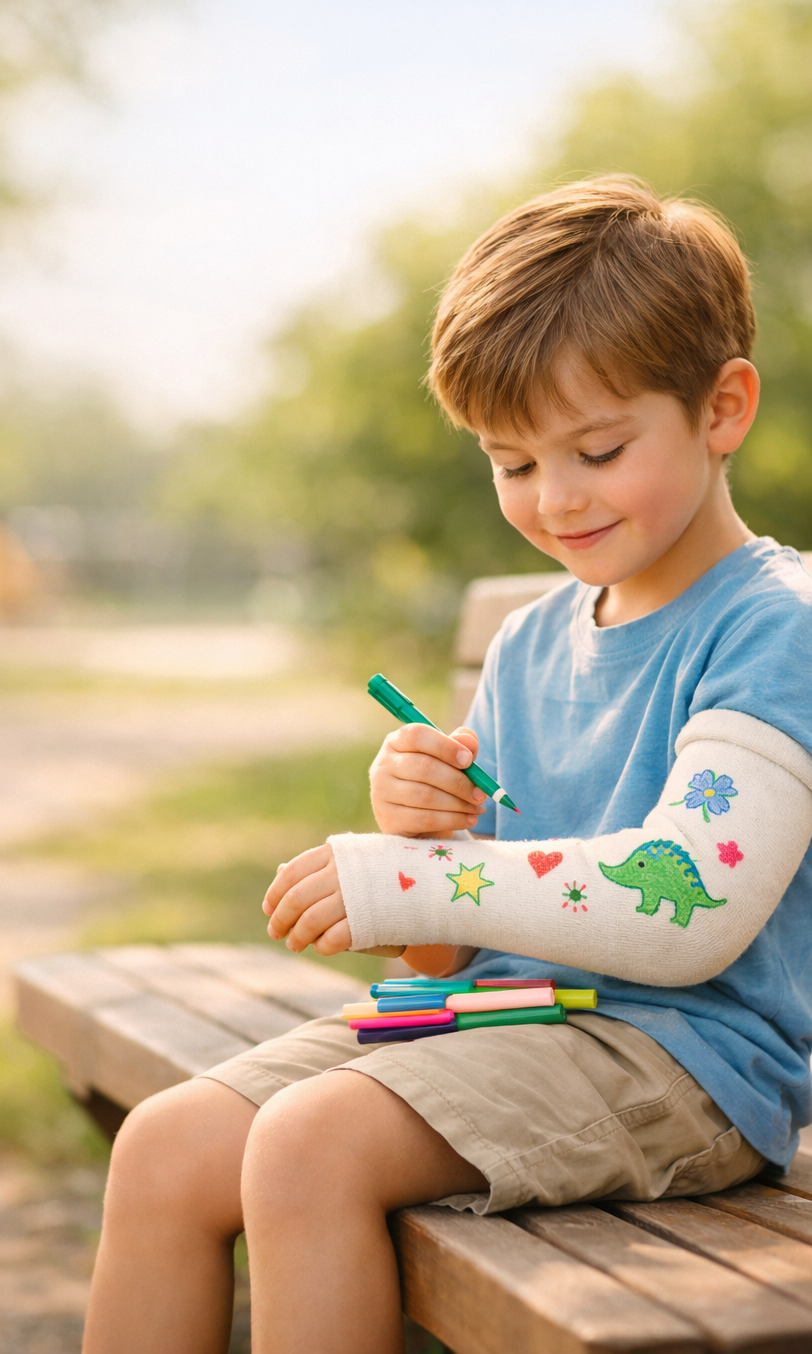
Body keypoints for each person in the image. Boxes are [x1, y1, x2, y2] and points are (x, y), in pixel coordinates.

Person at [82, 176, 812, 1354]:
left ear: (722, 408)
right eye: (511, 463)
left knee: (308, 1146)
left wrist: (406, 879)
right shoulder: (534, 637)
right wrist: (427, 836)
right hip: (499, 1014)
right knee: (165, 1149)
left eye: (596, 449)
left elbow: (692, 902)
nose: (554, 498)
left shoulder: (775, 625)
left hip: (681, 1062)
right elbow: (449, 952)